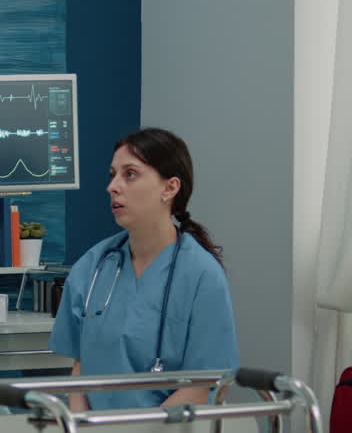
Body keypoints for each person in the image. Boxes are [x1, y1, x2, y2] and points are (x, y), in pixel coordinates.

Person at [49, 127, 238, 411]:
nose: (112, 186)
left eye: (130, 174)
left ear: (170, 188)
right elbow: (81, 366)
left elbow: (201, 385)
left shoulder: (201, 275)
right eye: (112, 174)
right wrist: (82, 431)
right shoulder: (93, 266)